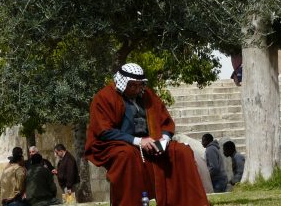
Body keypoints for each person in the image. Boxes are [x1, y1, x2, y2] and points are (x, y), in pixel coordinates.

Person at [84, 63, 209, 206]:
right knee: (126, 155)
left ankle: (191, 203)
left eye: (139, 85)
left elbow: (165, 121)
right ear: (122, 82)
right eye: (132, 86)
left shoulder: (148, 95)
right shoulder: (104, 97)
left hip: (152, 142)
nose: (136, 89)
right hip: (121, 143)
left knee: (182, 151)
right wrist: (138, 141)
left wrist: (164, 139)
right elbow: (104, 131)